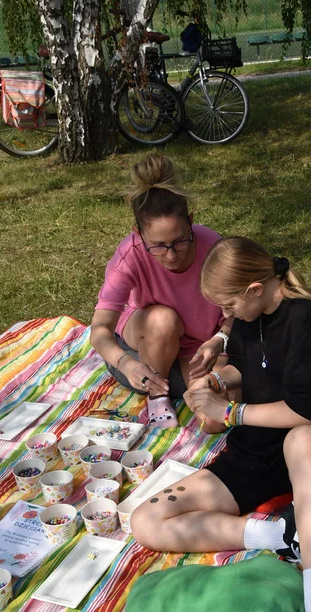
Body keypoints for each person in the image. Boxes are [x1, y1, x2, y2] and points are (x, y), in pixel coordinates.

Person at [131, 237, 311, 612]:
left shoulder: (308, 322)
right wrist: (217, 381)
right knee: (147, 520)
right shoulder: (249, 318)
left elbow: (305, 409)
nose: (224, 316)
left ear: (256, 288)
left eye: (228, 304)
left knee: (302, 439)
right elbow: (254, 369)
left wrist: (230, 411)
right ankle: (283, 532)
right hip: (254, 454)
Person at [90, 154, 232, 430]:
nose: (170, 256)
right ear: (138, 234)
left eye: (180, 242)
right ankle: (157, 395)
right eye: (158, 245)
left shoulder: (213, 246)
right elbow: (99, 330)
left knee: (217, 421)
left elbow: (237, 309)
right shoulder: (129, 255)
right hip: (145, 339)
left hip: (200, 347)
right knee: (163, 319)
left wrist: (220, 338)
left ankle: (175, 382)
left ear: (191, 222)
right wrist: (127, 364)